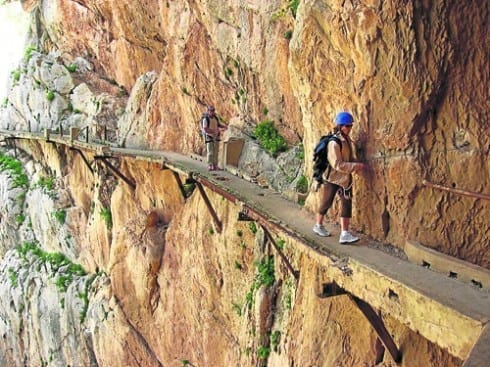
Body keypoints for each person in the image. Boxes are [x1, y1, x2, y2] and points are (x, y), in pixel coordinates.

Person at [312, 111, 366, 244]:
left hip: (344, 180)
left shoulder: (346, 140)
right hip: (333, 179)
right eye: (348, 126)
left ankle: (345, 233)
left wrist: (356, 164)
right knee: (326, 202)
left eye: (351, 126)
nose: (350, 129)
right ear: (341, 126)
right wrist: (355, 166)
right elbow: (337, 164)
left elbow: (347, 157)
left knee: (346, 203)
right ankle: (318, 225)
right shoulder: (334, 143)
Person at [201, 105, 227, 171]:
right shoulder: (205, 119)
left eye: (213, 111)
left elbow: (218, 124)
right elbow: (205, 129)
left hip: (216, 136)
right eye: (211, 111)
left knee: (216, 152)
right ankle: (210, 165)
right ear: (208, 111)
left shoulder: (215, 118)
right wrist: (214, 131)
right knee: (210, 152)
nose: (212, 112)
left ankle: (215, 165)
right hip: (209, 137)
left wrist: (224, 126)